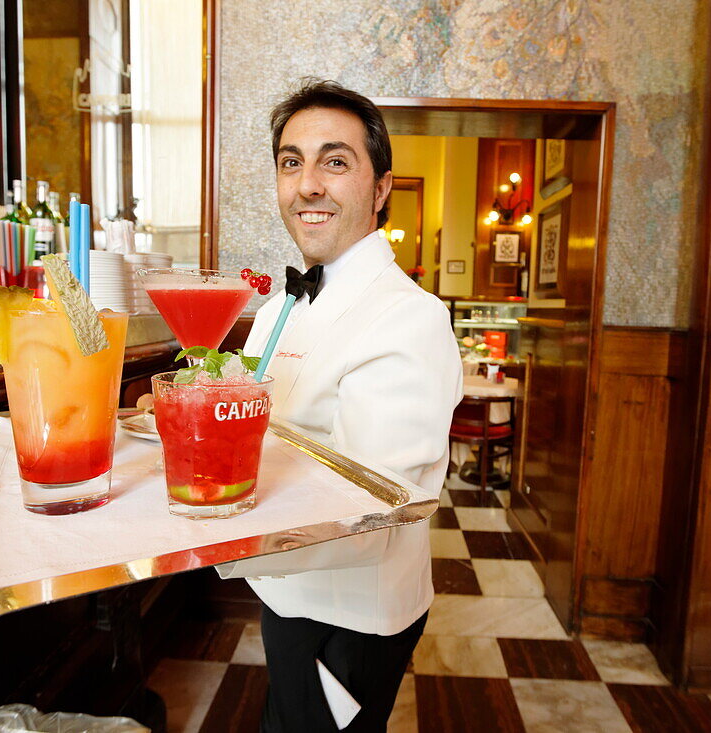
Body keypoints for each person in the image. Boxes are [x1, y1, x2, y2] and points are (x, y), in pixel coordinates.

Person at [215, 79, 463, 731]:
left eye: (335, 160)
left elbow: (373, 509)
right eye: (291, 162)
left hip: (349, 617)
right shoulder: (278, 308)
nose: (307, 184)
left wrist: (210, 534)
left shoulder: (411, 319)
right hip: (287, 592)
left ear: (380, 188)